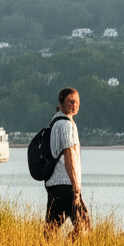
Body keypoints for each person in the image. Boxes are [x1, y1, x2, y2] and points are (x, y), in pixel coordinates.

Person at [45, 87, 90, 237]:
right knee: (84, 227)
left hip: (54, 184)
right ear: (61, 103)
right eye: (71, 101)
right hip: (66, 185)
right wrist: (76, 188)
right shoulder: (65, 124)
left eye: (77, 102)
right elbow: (69, 154)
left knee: (51, 230)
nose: (75, 105)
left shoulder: (55, 121)